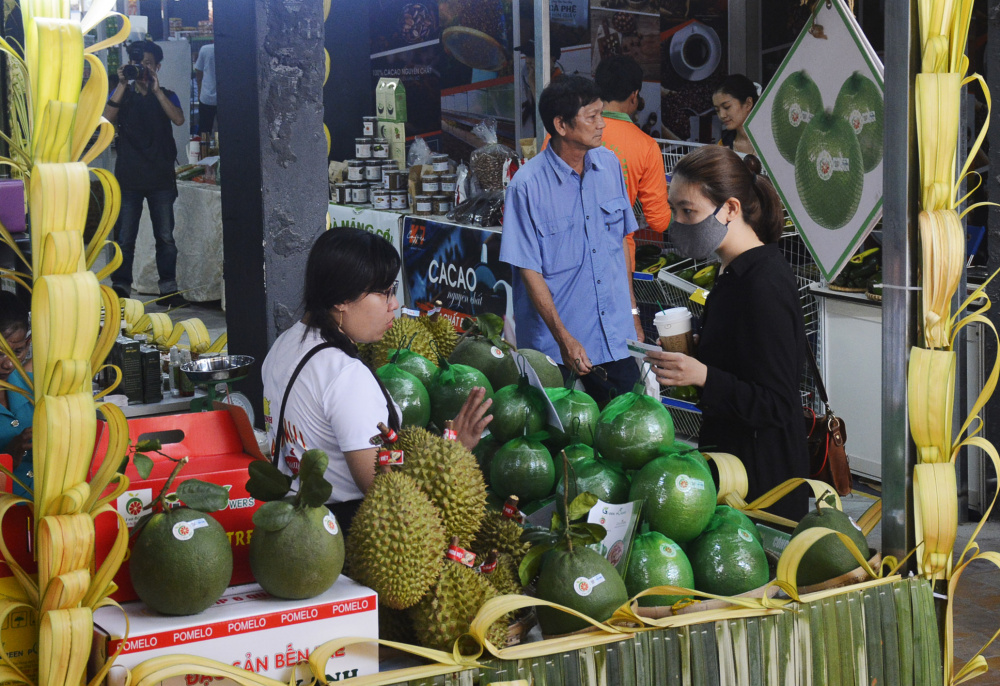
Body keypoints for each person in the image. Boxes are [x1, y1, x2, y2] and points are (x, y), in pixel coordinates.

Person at [262, 228, 493, 531]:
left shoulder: (285, 344)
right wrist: (453, 451)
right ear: (342, 299)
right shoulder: (347, 377)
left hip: (293, 523)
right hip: (341, 537)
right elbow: (386, 495)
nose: (393, 305)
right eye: (385, 292)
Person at [644, 146, 809, 520]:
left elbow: (777, 404)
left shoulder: (763, 283)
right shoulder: (731, 271)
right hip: (730, 465)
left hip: (764, 484)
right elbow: (745, 359)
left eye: (689, 211)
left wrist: (702, 375)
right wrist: (698, 353)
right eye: (675, 210)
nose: (679, 223)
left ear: (731, 209)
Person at [500, 76, 641, 405]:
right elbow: (528, 270)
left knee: (627, 429)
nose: (602, 124)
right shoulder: (527, 186)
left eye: (601, 114)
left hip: (613, 336)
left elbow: (620, 242)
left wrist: (633, 314)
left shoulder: (609, 165)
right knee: (560, 442)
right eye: (591, 117)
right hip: (556, 347)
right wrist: (563, 338)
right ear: (561, 125)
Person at [103, 40, 186, 306]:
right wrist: (123, 83)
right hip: (128, 177)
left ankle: (169, 289)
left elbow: (179, 119)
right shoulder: (122, 94)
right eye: (138, 64)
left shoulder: (168, 94)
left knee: (165, 237)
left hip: (160, 176)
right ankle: (121, 287)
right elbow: (106, 119)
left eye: (148, 64)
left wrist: (157, 90)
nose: (142, 69)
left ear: (158, 67)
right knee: (125, 236)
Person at [594, 55, 671, 289]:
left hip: (565, 255)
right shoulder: (646, 146)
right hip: (616, 260)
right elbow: (659, 222)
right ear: (634, 95)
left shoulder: (563, 133)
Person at [0, 292, 33, 499]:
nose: (8, 363)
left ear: (28, 344)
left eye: (17, 351)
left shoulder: (33, 386)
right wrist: (7, 458)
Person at [713, 74, 760, 155]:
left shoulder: (772, 140)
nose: (721, 115)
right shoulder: (723, 145)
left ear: (748, 103)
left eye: (727, 107)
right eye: (717, 110)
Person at [194, 42, 217, 135]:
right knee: (227, 130)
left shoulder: (205, 49)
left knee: (204, 130)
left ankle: (205, 149)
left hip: (206, 96)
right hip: (226, 98)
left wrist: (200, 92)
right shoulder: (230, 48)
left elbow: (198, 72)